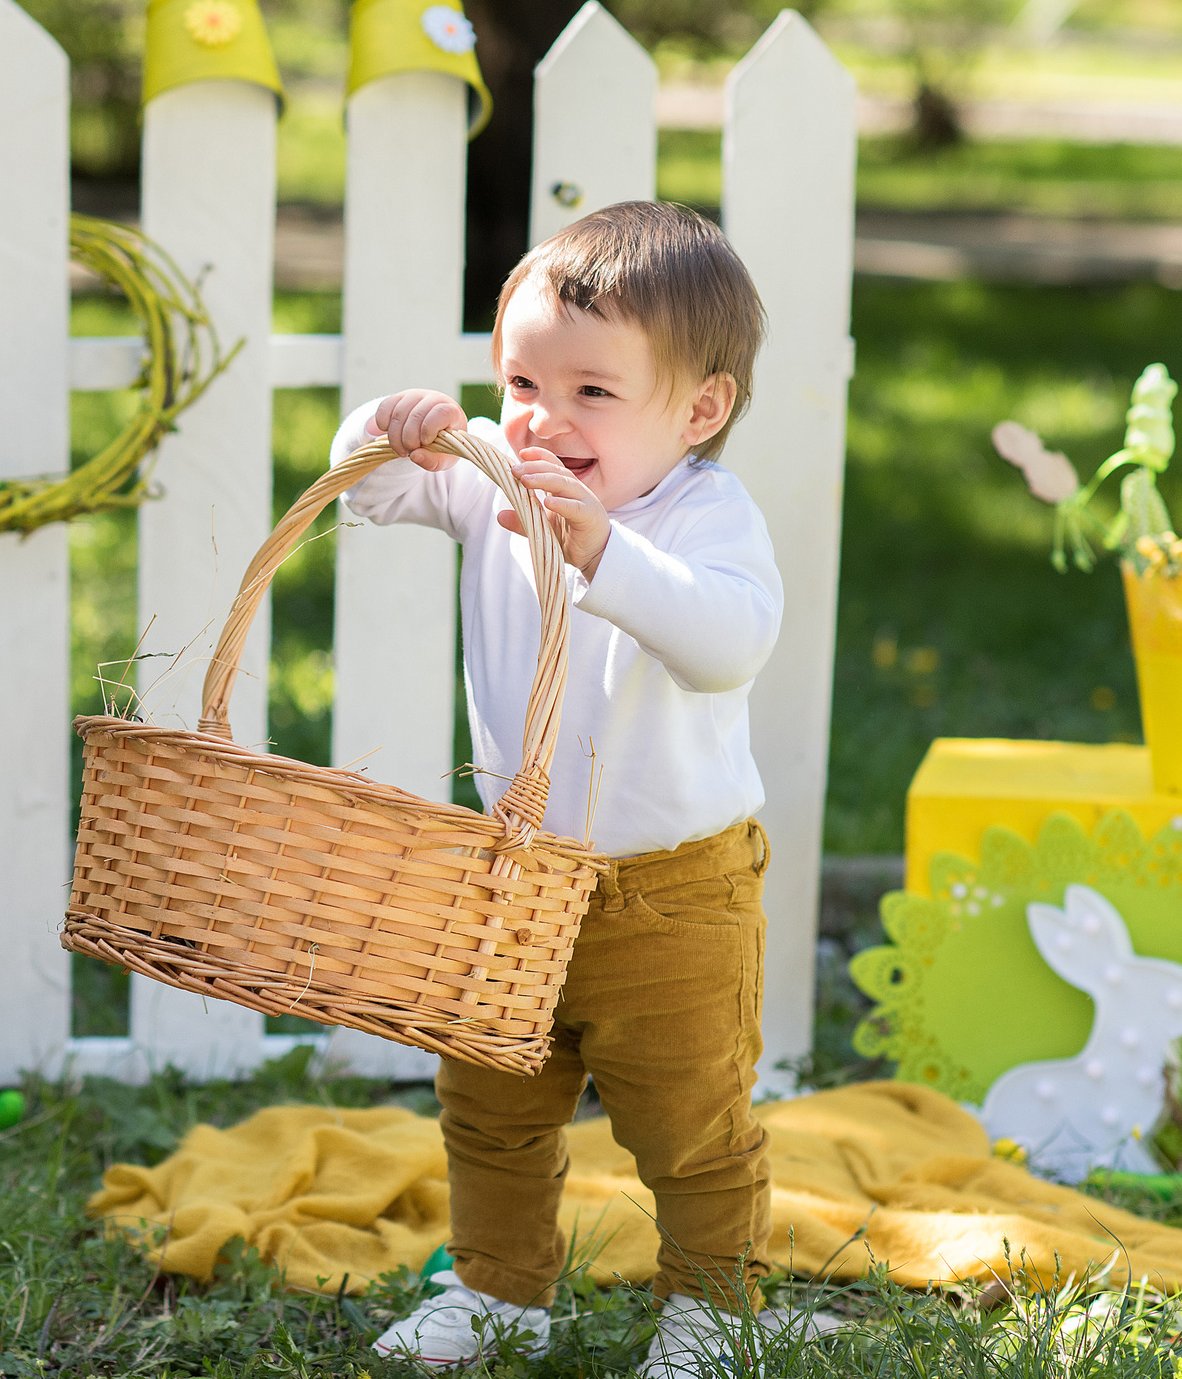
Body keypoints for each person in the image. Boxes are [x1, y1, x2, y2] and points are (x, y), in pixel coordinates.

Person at [342, 201, 827, 1374]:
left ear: (699, 409)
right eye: (519, 382)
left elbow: (726, 642)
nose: (541, 419)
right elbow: (366, 491)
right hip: (511, 876)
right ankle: (499, 1289)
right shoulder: (493, 480)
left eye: (591, 394)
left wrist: (604, 548)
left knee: (689, 1119)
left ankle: (712, 1307)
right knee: (491, 1105)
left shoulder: (708, 514)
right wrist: (390, 428)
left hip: (672, 892)